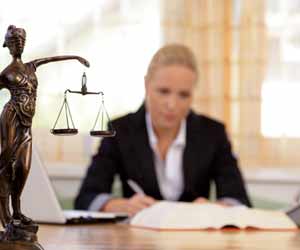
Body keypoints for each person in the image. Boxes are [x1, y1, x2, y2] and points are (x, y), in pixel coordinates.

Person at [75, 44, 251, 216]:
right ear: (146, 85)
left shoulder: (213, 133)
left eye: (183, 95)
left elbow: (239, 200)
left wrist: (215, 209)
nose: (172, 105)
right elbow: (86, 197)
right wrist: (117, 205)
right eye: (163, 91)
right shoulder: (120, 131)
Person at [0, 25, 89, 228]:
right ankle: (5, 213)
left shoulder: (31, 66)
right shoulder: (6, 74)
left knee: (24, 166)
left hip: (27, 123)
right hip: (11, 117)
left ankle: (17, 212)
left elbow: (53, 59)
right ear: (7, 45)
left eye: (22, 41)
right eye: (15, 42)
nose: (19, 44)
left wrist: (76, 57)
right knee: (6, 160)